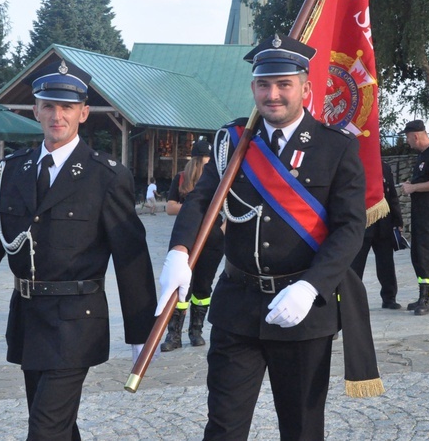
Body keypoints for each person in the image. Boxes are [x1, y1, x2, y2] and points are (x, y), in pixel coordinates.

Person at [155, 33, 379, 439]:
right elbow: (200, 200)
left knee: (301, 429)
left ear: (306, 89)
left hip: (301, 311)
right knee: (223, 426)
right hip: (237, 306)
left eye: (284, 84)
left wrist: (312, 287)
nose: (272, 94)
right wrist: (179, 250)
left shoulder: (335, 148)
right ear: (253, 87)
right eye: (263, 84)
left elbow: (350, 228)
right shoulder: (234, 143)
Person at [0, 59, 157, 441]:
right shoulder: (11, 171)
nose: (58, 115)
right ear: (36, 109)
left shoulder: (105, 176)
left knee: (44, 431)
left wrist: (142, 332)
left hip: (77, 322)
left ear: (83, 113)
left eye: (68, 107)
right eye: (49, 106)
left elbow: (130, 256)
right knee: (57, 426)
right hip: (28, 319)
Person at [160, 137, 225, 351]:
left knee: (203, 287)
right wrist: (194, 208)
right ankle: (174, 334)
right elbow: (169, 207)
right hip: (186, 238)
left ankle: (195, 331)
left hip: (212, 239)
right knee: (181, 287)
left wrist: (221, 229)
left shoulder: (220, 178)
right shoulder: (181, 178)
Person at [400, 120, 429, 315]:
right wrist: (413, 183)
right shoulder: (422, 155)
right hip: (420, 209)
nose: (407, 142)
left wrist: (413, 187)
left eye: (408, 138)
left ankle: (426, 298)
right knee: (418, 253)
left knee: (427, 252)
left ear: (415, 136)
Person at [351, 159, 404, 309]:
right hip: (363, 222)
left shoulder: (384, 167)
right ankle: (353, 300)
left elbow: (391, 195)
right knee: (356, 265)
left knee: (386, 263)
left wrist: (397, 221)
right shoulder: (355, 164)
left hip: (383, 222)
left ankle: (389, 298)